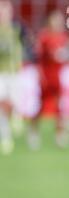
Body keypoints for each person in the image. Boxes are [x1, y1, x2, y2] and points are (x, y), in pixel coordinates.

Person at [29, 10, 69, 150]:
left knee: (60, 107)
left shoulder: (62, 37)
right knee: (40, 107)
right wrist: (41, 75)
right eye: (56, 20)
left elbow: (61, 58)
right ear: (50, 21)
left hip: (57, 78)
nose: (59, 23)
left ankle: (60, 135)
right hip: (46, 77)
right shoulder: (44, 37)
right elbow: (38, 58)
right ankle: (33, 133)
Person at [0, 0, 23, 155]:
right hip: (0, 73)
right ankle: (5, 137)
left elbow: (21, 47)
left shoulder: (16, 29)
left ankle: (16, 116)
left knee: (13, 103)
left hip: (13, 73)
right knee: (1, 107)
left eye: (5, 11)